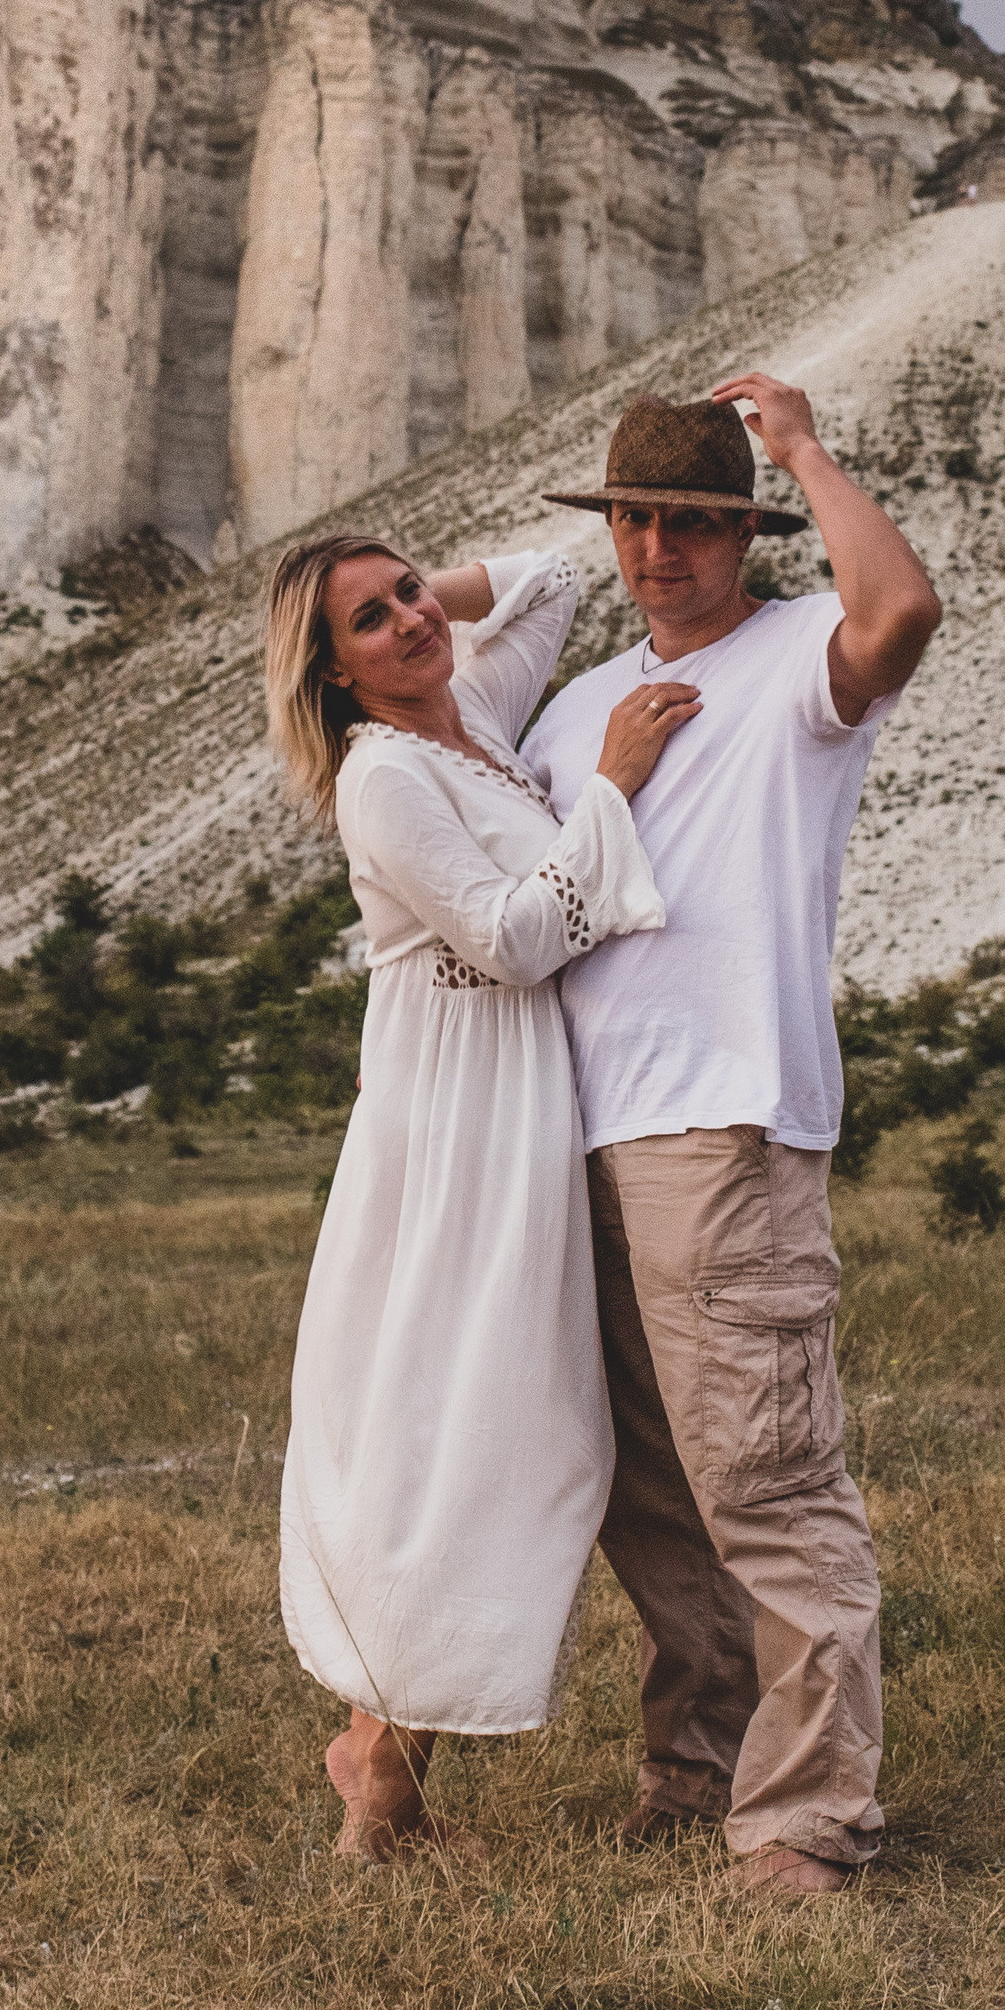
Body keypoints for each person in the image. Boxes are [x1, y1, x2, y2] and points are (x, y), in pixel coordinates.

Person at [524, 381, 941, 1900]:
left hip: (726, 1120)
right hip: (585, 1134)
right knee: (649, 1488)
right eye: (632, 518)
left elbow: (902, 606)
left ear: (743, 532)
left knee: (766, 1477)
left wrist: (805, 451)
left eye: (691, 521)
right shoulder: (579, 712)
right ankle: (698, 1766)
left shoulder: (794, 670)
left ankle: (809, 1815)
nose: (655, 548)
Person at [263, 533, 699, 1860]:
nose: (408, 623)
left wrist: (420, 601)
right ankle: (380, 1770)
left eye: (407, 596)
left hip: (524, 1114)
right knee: (465, 1434)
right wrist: (613, 787)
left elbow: (561, 576)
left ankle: (383, 1770)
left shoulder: (471, 723)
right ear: (330, 675)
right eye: (370, 622)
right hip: (453, 1128)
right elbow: (508, 941)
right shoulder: (384, 774)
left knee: (497, 1432)